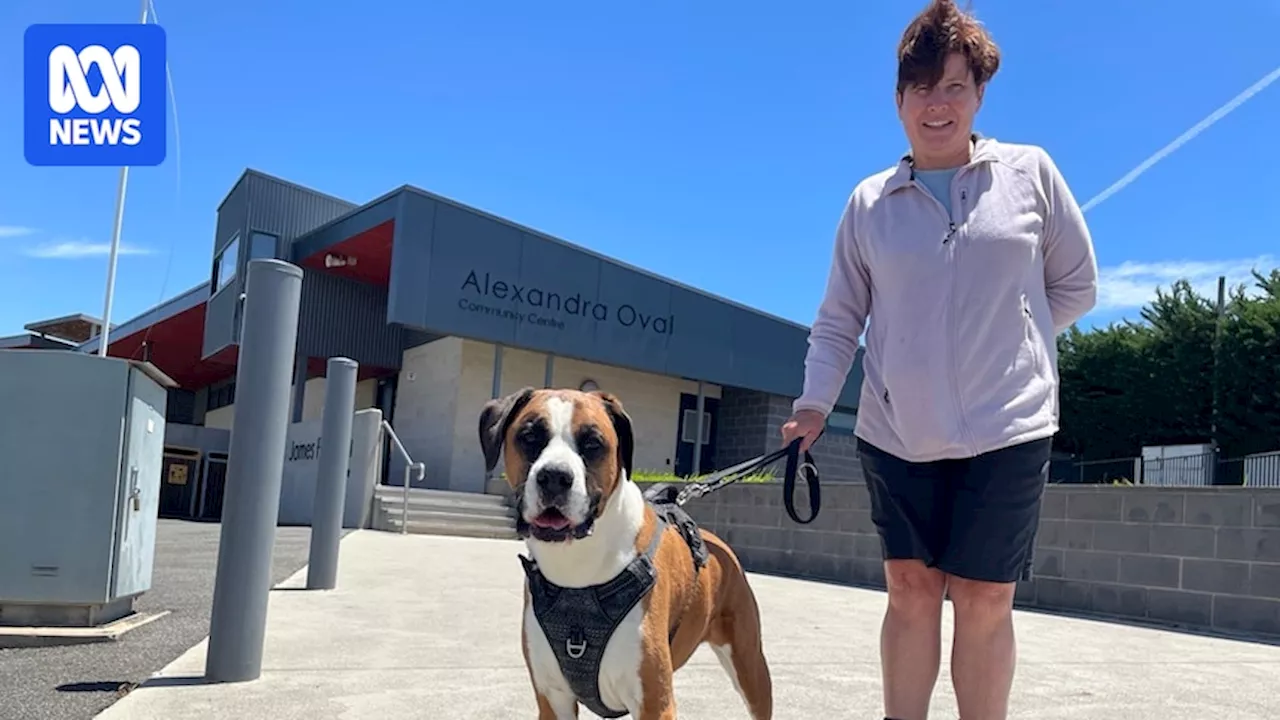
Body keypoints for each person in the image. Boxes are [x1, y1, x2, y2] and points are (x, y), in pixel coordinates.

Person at [779, 1, 1098, 719]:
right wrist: (811, 405)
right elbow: (838, 321)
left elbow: (1076, 284)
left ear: (980, 95)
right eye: (921, 88)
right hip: (898, 433)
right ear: (898, 102)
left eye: (955, 85)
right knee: (912, 591)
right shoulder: (869, 204)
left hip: (1009, 427)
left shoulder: (1031, 175)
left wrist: (1017, 339)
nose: (938, 103)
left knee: (985, 597)